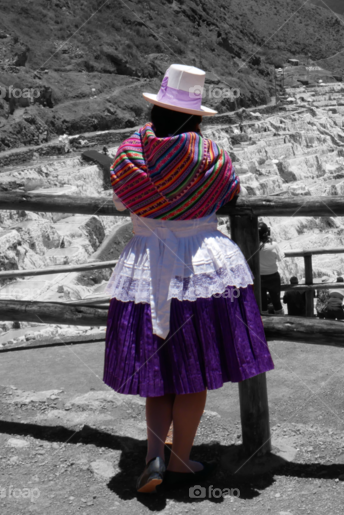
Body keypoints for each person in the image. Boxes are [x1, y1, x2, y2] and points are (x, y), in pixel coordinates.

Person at [105, 64, 274, 494]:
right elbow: (230, 195)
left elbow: (123, 200)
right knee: (192, 371)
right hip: (201, 269)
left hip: (145, 271)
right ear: (196, 117)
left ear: (156, 110)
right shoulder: (210, 157)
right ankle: (180, 459)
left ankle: (152, 457)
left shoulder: (128, 156)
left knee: (157, 370)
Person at [257, 222, 283, 314]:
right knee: (276, 302)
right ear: (267, 233)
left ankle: (264, 324)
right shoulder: (274, 245)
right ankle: (280, 322)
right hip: (273, 277)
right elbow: (280, 258)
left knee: (262, 303)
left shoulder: (252, 245)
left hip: (258, 277)